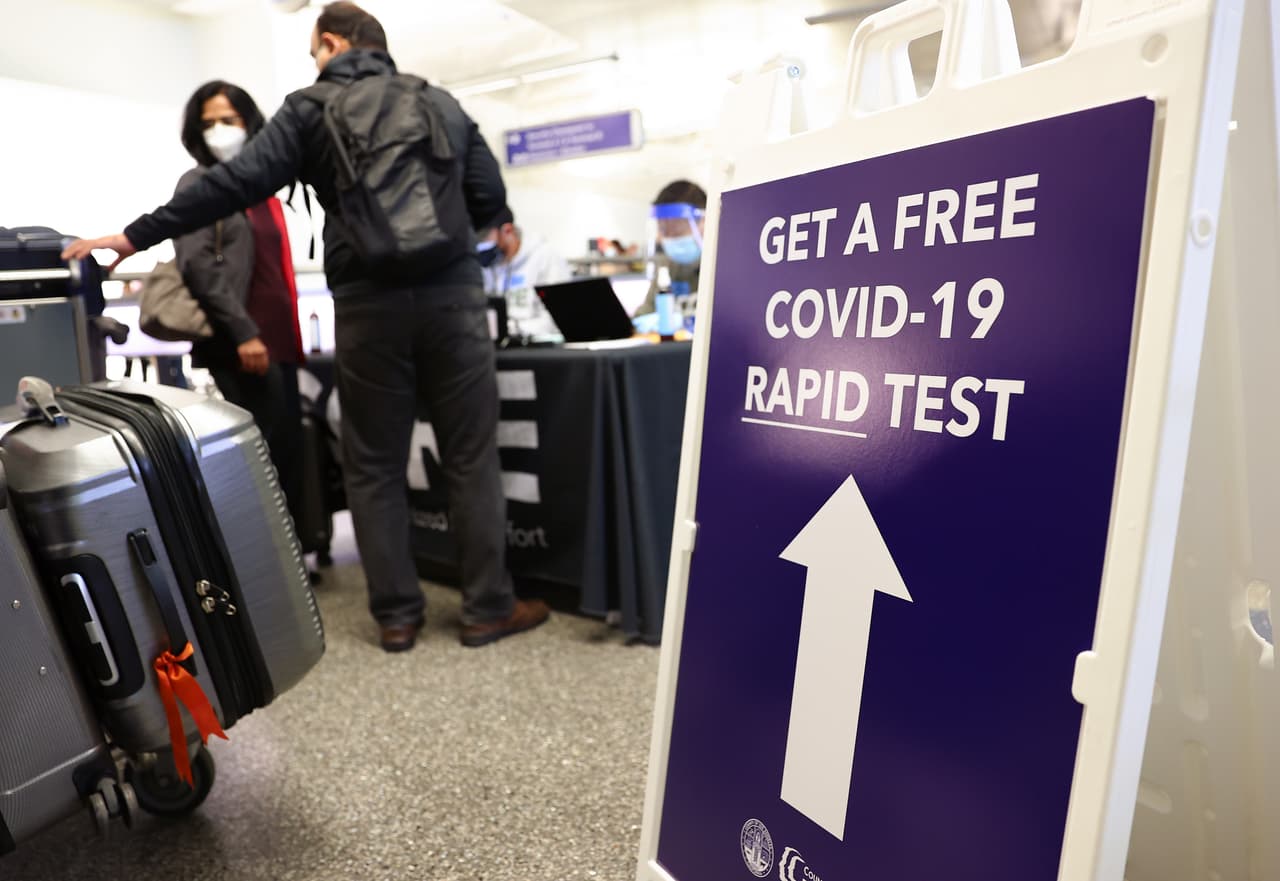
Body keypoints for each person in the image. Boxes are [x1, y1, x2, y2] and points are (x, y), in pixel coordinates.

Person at [64, 1, 548, 653]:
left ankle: (398, 616)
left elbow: (230, 184)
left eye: (313, 53)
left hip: (366, 304)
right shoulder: (440, 103)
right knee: (470, 454)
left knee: (374, 463)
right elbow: (489, 199)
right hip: (453, 299)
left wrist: (134, 234)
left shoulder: (310, 107)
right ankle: (489, 606)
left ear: (329, 43)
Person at [173, 80, 307, 531]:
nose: (218, 130)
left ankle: (291, 554)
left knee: (285, 451)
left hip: (279, 340)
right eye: (208, 122)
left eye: (227, 120)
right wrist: (245, 332)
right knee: (256, 458)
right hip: (240, 342)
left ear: (249, 123)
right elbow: (198, 266)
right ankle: (259, 560)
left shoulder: (263, 185)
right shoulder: (199, 183)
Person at [476, 206, 569, 339]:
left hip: (536, 349)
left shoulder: (545, 258)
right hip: (498, 346)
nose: (481, 245)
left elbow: (556, 320)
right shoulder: (489, 265)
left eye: (485, 239)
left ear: (507, 230)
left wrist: (511, 328)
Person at [637, 179, 707, 316]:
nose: (670, 238)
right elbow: (646, 311)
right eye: (663, 230)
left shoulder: (725, 268)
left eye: (677, 231)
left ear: (705, 222)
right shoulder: (667, 266)